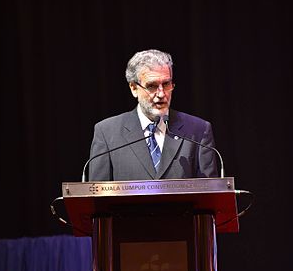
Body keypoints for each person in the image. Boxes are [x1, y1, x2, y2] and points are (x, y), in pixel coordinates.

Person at [88, 49, 218, 181]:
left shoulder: (198, 131)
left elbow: (211, 194)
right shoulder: (107, 133)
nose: (161, 94)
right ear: (133, 88)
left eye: (166, 84)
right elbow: (97, 194)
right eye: (152, 86)